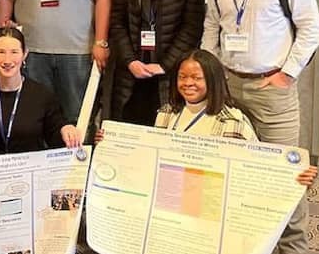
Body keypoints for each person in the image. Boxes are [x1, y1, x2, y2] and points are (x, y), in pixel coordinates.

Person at [202, 0, 319, 254]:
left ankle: (294, 249)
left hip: (272, 91)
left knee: (285, 173)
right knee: (236, 171)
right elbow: (212, 26)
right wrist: (211, 71)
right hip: (229, 89)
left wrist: (287, 74)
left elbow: (311, 29)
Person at [96, 50, 317, 180]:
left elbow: (257, 170)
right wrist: (113, 143)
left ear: (212, 80)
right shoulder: (165, 114)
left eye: (196, 77)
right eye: (182, 77)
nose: (188, 83)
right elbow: (147, 157)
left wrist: (294, 175)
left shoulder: (234, 122)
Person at [0, 27, 82, 159]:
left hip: (30, 171)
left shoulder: (42, 94)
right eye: (1, 52)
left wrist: (66, 129)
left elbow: (55, 136)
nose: (7, 60)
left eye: (14, 52)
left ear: (24, 54)